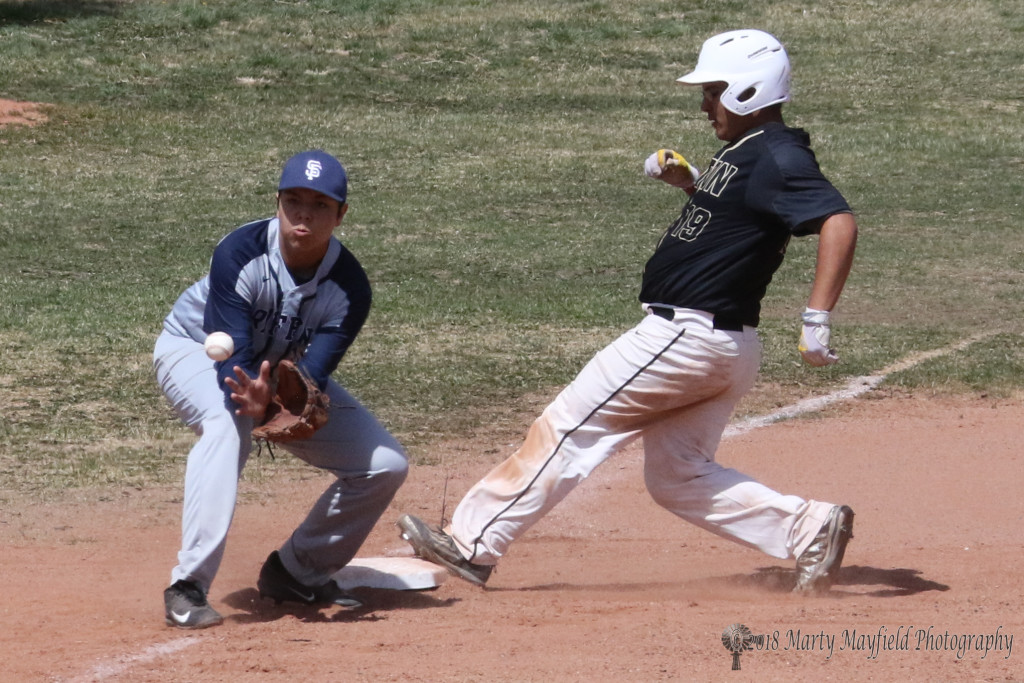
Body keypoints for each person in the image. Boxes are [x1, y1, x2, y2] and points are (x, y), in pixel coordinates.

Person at [398, 29, 858, 594]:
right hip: (720, 346)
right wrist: (690, 183)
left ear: (746, 90)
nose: (704, 103)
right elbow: (738, 226)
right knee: (678, 476)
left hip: (684, 338)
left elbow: (838, 220)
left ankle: (473, 542)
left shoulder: (777, 155)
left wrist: (816, 318)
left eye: (713, 90)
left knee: (568, 428)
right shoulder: (748, 154)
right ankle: (810, 528)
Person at [154, 150, 408, 629]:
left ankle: (295, 572)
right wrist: (259, 400)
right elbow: (233, 355)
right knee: (229, 430)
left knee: (385, 465)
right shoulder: (240, 251)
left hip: (275, 372)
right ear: (277, 202)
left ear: (341, 214)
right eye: (293, 201)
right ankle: (187, 586)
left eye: (320, 205)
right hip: (190, 350)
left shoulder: (351, 289)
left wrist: (278, 401)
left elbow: (307, 381)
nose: (304, 215)